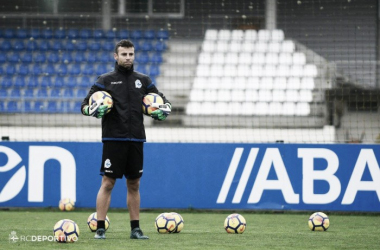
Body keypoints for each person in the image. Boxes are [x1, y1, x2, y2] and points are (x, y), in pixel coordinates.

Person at [81, 39, 171, 240]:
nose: (128, 58)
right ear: (116, 56)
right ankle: (100, 228)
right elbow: (85, 105)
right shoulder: (105, 80)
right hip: (113, 139)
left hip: (137, 139)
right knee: (108, 182)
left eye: (131, 54)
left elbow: (163, 101)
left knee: (134, 184)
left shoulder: (144, 80)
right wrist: (92, 109)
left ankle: (135, 229)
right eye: (124, 54)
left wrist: (163, 109)